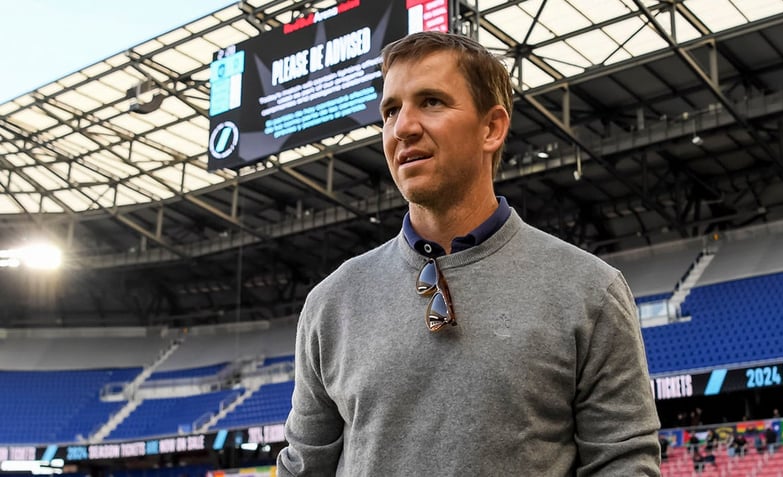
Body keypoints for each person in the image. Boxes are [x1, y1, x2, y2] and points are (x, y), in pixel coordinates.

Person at [276, 31, 660, 476]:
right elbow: (304, 467)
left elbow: (624, 464)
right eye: (391, 110)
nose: (403, 127)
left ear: (492, 128)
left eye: (432, 102)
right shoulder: (331, 303)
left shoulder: (590, 291)